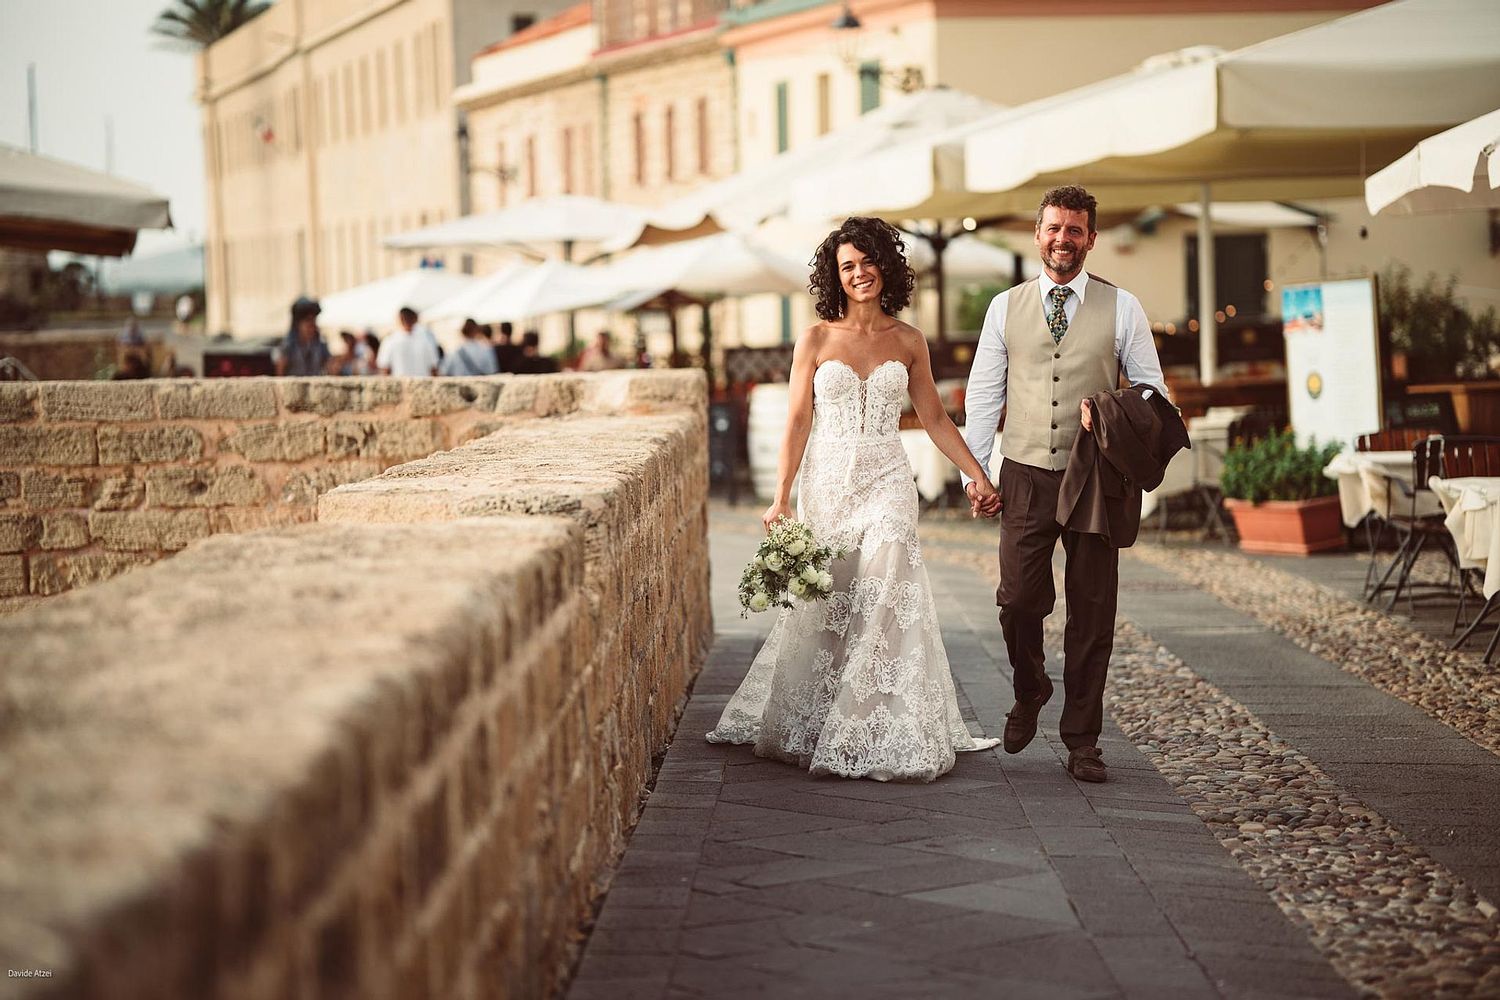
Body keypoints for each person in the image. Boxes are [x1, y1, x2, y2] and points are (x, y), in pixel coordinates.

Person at [706, 217, 1001, 782]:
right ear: (834, 278)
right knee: (834, 596)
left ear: (884, 265)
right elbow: (797, 420)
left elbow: (933, 417)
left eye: (867, 262)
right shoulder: (815, 339)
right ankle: (820, 714)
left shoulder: (909, 340)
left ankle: (873, 721)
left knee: (890, 578)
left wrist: (976, 476)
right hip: (828, 480)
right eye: (848, 266)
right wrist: (780, 498)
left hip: (888, 478)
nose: (859, 273)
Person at [960, 185, 1170, 785]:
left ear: (1091, 239)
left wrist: (1109, 408)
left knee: (1092, 610)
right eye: (1053, 228)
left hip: (1096, 477)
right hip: (1024, 471)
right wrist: (976, 473)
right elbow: (983, 396)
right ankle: (1031, 689)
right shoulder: (1005, 307)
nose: (1062, 239)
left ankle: (1083, 739)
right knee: (1019, 599)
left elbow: (1154, 394)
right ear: (1037, 233)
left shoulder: (1122, 306)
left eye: (1074, 230)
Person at [275, 297, 332, 376]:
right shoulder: (289, 345)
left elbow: (329, 366)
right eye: (308, 321)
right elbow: (280, 371)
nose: (312, 326)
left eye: (313, 321)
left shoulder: (320, 344)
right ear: (298, 324)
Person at [377, 305, 440, 376]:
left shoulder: (426, 339)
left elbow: (433, 367)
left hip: (415, 383)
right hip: (407, 383)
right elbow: (385, 368)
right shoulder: (390, 340)